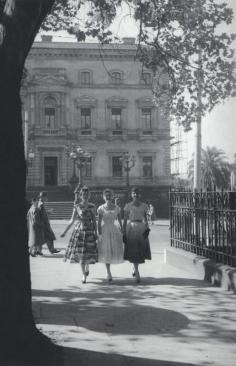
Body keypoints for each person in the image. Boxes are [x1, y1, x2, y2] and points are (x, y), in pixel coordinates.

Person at [61, 186, 98, 283]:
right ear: (81, 196)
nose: (85, 196)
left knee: (88, 252)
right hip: (80, 232)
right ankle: (83, 275)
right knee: (81, 253)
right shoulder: (77, 206)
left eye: (87, 194)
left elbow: (94, 220)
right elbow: (72, 220)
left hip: (89, 231)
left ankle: (87, 267)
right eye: (83, 194)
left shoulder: (92, 206)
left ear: (89, 195)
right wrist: (65, 232)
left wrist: (96, 232)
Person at [123, 187, 151, 283]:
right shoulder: (128, 206)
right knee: (133, 249)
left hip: (141, 228)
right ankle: (137, 272)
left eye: (137, 193)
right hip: (131, 228)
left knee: (140, 250)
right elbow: (125, 220)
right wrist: (123, 232)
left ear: (140, 195)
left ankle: (135, 268)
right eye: (134, 193)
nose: (136, 195)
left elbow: (146, 219)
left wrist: (147, 228)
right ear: (131, 195)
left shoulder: (144, 206)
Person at [97, 189, 124, 282]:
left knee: (113, 250)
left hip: (114, 230)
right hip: (104, 230)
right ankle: (108, 272)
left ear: (112, 196)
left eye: (110, 195)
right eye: (106, 196)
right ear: (103, 197)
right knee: (106, 250)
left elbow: (120, 221)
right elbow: (99, 222)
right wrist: (99, 233)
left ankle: (109, 270)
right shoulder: (101, 208)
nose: (108, 197)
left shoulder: (117, 208)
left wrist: (122, 230)